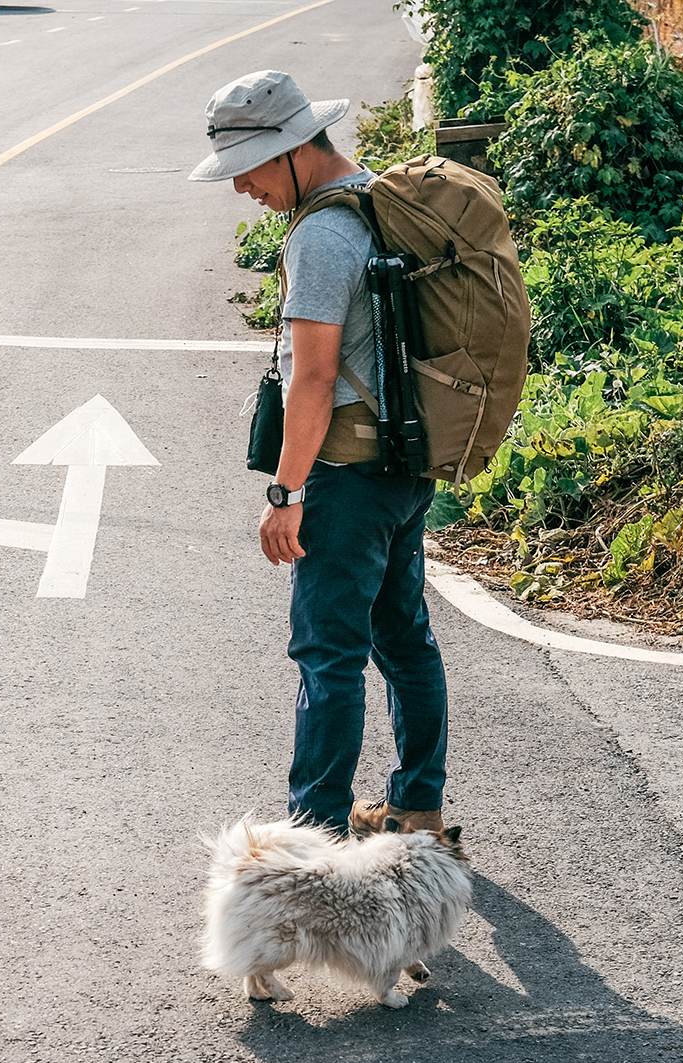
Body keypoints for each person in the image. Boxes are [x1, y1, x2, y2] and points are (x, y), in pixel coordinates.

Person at [188, 70, 449, 838]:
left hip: (345, 477)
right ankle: (417, 806)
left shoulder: (322, 234)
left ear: (297, 148)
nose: (241, 186)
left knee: (327, 658)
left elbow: (314, 376)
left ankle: (316, 837)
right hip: (404, 463)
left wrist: (285, 492)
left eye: (252, 165)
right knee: (404, 640)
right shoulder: (377, 199)